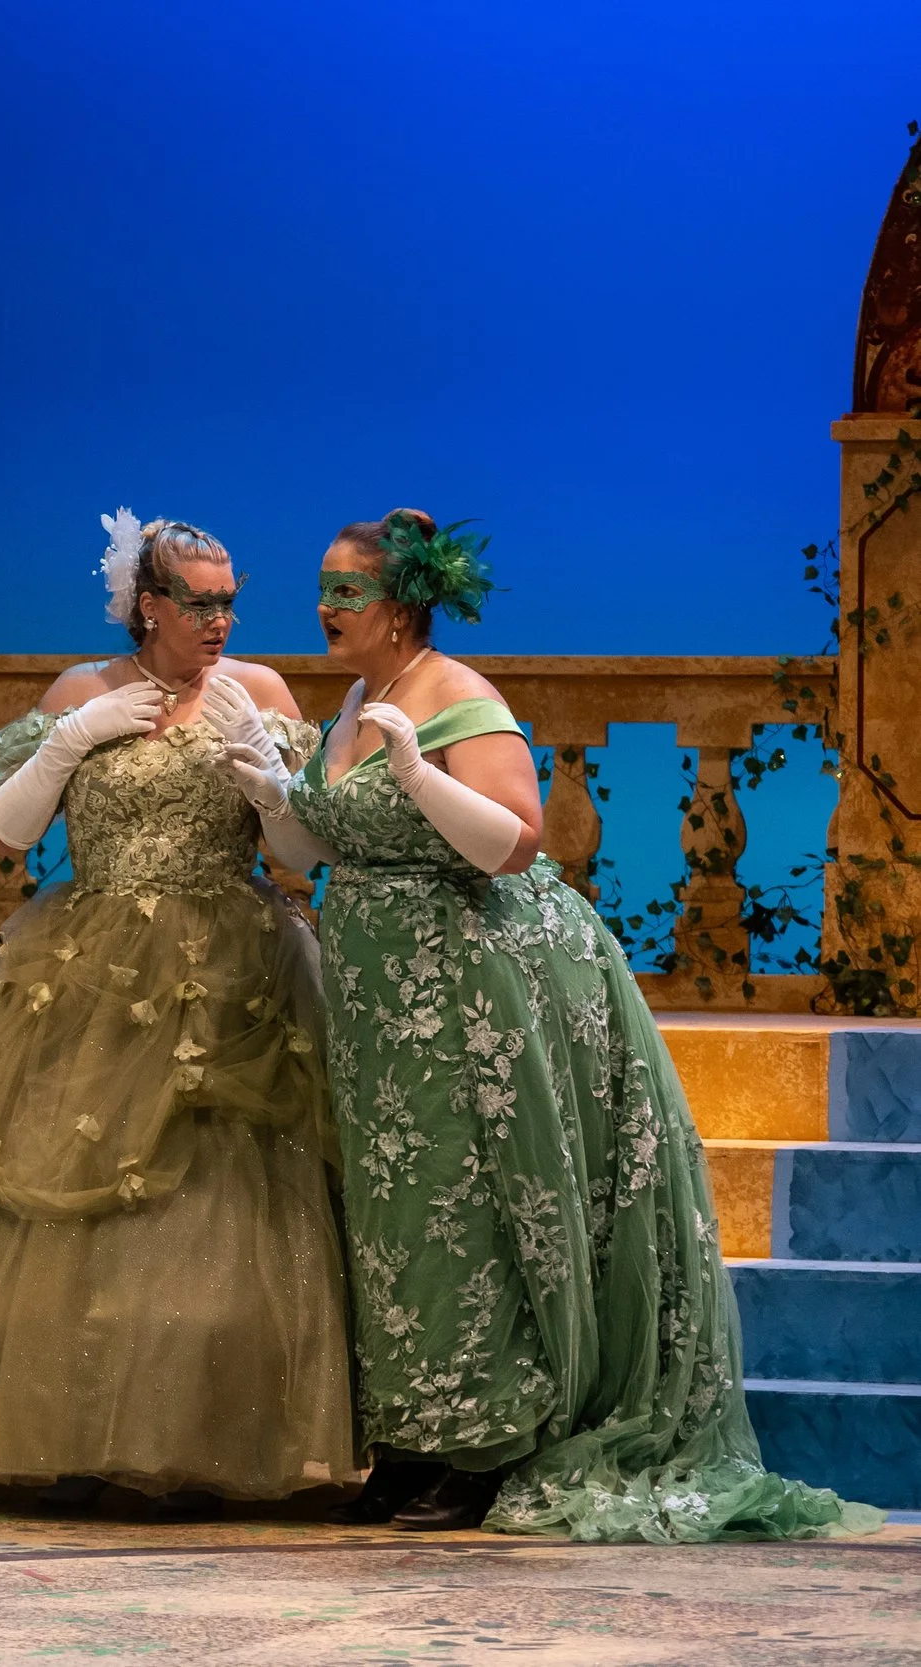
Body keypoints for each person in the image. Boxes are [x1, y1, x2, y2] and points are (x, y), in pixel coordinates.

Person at [220, 507, 882, 1539]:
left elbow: (515, 845)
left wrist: (417, 774)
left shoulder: (458, 696)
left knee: (466, 1198)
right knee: (396, 1209)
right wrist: (274, 795)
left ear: (400, 603)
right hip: (381, 996)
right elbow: (320, 852)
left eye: (346, 589)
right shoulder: (355, 701)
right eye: (322, 588)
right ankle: (411, 1439)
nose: (325, 606)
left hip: (474, 984)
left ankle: (482, 1444)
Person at [0, 511, 355, 1515]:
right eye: (200, 602)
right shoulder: (81, 691)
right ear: (149, 604)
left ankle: (191, 1431)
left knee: (213, 1211)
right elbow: (7, 832)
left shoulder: (256, 692)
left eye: (230, 602)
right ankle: (73, 1430)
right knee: (68, 1200)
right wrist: (69, 741)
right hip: (91, 966)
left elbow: (302, 856)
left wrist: (271, 785)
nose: (220, 620)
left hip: (230, 968)